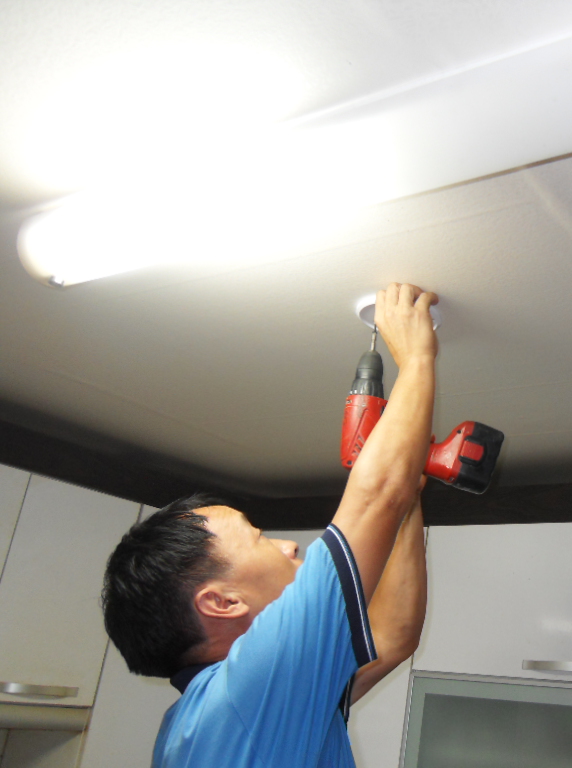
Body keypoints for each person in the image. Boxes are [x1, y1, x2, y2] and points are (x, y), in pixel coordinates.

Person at [101, 283, 439, 768]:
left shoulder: (224, 714)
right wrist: (416, 356)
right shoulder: (245, 694)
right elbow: (378, 494)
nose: (289, 547)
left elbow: (391, 635)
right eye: (258, 539)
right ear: (222, 602)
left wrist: (407, 495)